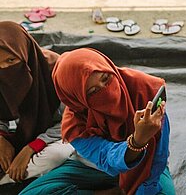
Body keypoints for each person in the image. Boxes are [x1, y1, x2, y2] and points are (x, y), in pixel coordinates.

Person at [20, 48, 173, 195]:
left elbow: (159, 154)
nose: (106, 90)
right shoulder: (75, 123)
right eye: (93, 92)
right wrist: (138, 141)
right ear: (78, 100)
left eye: (106, 79)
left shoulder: (144, 88)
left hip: (146, 166)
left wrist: (146, 188)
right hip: (93, 168)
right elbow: (106, 157)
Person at [0, 22, 73, 187]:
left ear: (24, 53)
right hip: (21, 132)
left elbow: (71, 119)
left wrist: (32, 147)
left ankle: (6, 181)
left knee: (57, 156)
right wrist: (1, 138)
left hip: (60, 135)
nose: (4, 68)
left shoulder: (57, 70)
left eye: (11, 59)